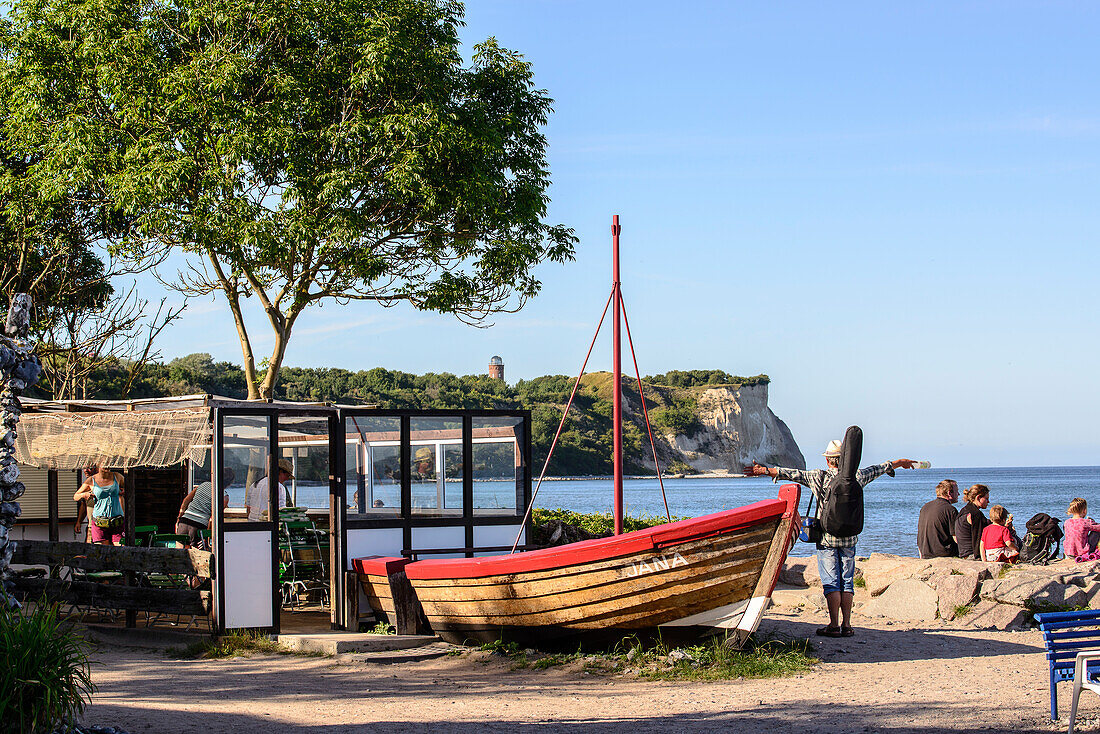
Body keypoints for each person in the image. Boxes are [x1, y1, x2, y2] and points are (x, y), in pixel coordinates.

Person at [743, 438, 916, 639]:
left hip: (826, 538)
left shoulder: (820, 476)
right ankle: (847, 625)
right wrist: (898, 463)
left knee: (832, 583)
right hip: (850, 539)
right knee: (847, 582)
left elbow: (792, 474)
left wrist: (765, 471)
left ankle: (833, 625)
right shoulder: (857, 476)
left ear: (828, 461)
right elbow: (877, 469)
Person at [175, 467, 235, 547]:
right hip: (198, 526)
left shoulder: (202, 485)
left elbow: (186, 501)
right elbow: (212, 518)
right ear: (229, 483)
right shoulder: (224, 496)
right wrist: (207, 537)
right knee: (196, 556)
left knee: (179, 554)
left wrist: (179, 518)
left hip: (184, 521)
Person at [73, 465, 125, 545]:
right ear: (98, 465)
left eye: (109, 463)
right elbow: (76, 496)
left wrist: (124, 491)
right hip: (99, 522)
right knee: (102, 551)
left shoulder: (117, 476)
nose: (107, 466)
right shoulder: (91, 480)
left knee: (121, 548)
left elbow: (129, 488)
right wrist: (84, 495)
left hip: (117, 521)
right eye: (104, 463)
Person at [917, 479, 959, 558]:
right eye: (957, 491)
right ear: (949, 493)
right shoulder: (950, 509)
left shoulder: (925, 506)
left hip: (925, 552)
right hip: (943, 554)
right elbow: (956, 537)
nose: (959, 494)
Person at [954, 484, 990, 560]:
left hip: (962, 552)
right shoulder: (975, 514)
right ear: (978, 498)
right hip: (972, 554)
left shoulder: (964, 510)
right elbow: (978, 537)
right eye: (986, 499)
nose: (988, 501)